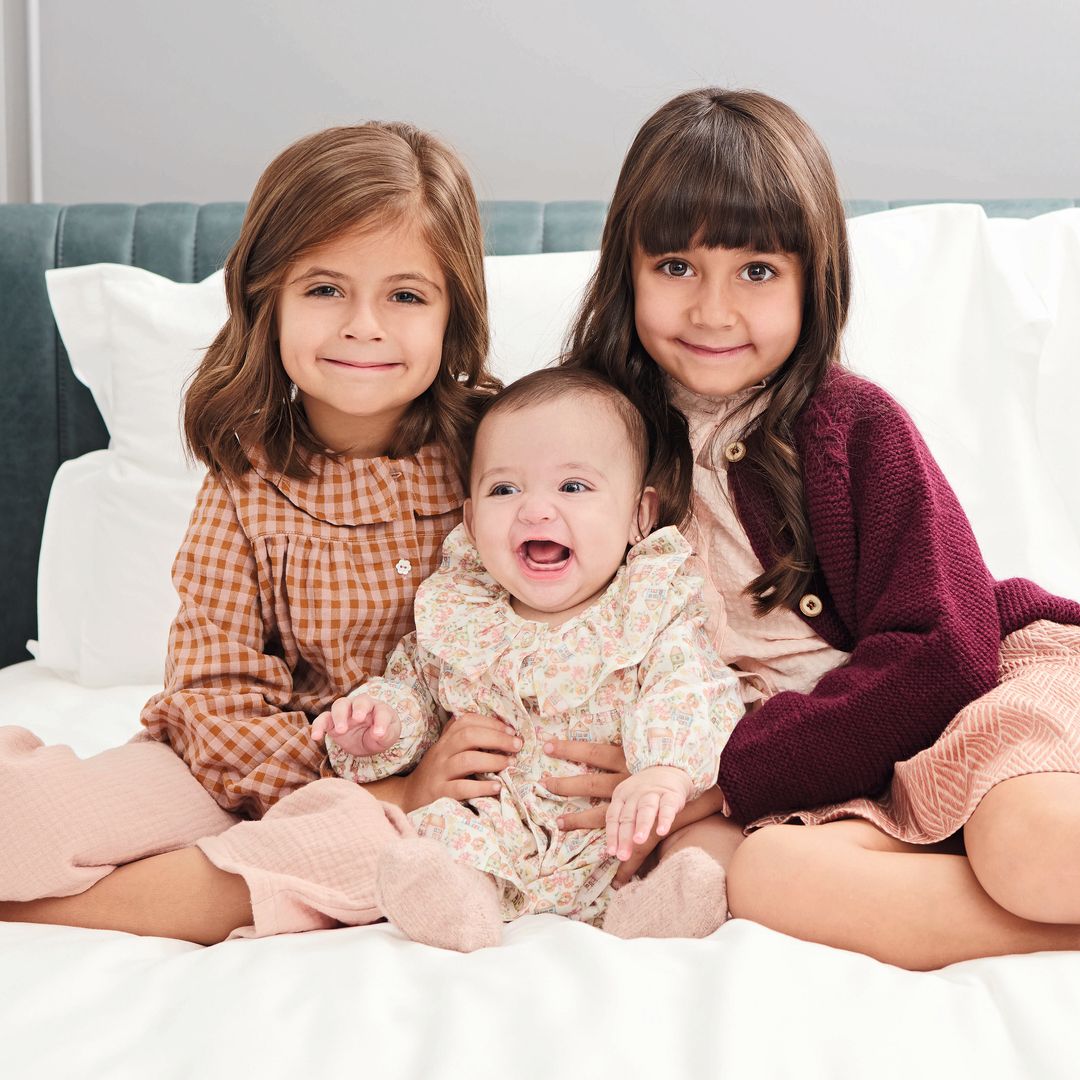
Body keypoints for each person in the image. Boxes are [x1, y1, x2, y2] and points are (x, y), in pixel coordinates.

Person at [561, 87, 1080, 970]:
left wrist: (727, 772)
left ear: (814, 280)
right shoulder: (583, 434)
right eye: (677, 268)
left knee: (1031, 849)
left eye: (757, 271)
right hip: (829, 773)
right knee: (766, 880)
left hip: (973, 701)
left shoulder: (851, 425)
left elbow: (945, 649)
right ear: (627, 271)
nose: (714, 311)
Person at [0, 120, 522, 944]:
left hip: (415, 796)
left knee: (356, 853)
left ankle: (63, 910)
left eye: (406, 295)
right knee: (20, 817)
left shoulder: (502, 454)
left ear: (453, 312)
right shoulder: (247, 478)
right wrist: (340, 784)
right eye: (324, 289)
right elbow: (215, 691)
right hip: (228, 766)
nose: (363, 324)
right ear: (265, 301)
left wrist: (411, 790)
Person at [312, 368, 745, 950]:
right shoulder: (459, 615)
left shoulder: (647, 608)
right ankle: (459, 902)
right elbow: (413, 684)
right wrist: (380, 724)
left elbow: (692, 691)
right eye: (504, 490)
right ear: (469, 522)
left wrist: (665, 769)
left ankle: (658, 913)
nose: (535, 512)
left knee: (709, 838)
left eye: (573, 487)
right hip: (495, 820)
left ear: (640, 515)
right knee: (432, 832)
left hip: (622, 831)